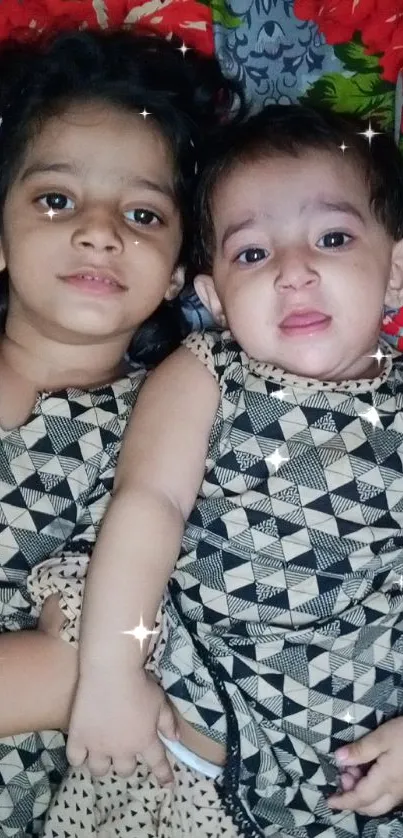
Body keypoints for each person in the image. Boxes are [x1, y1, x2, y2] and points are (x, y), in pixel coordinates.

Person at [43, 104, 403, 838]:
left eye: (331, 238)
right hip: (187, 752)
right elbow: (148, 507)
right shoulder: (207, 373)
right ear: (212, 299)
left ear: (395, 271)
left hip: (351, 773)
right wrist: (113, 674)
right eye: (251, 254)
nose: (294, 271)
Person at [0, 26, 237, 837]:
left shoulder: (166, 424)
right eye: (56, 199)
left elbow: (92, 657)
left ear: (178, 270)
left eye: (142, 212)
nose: (101, 231)